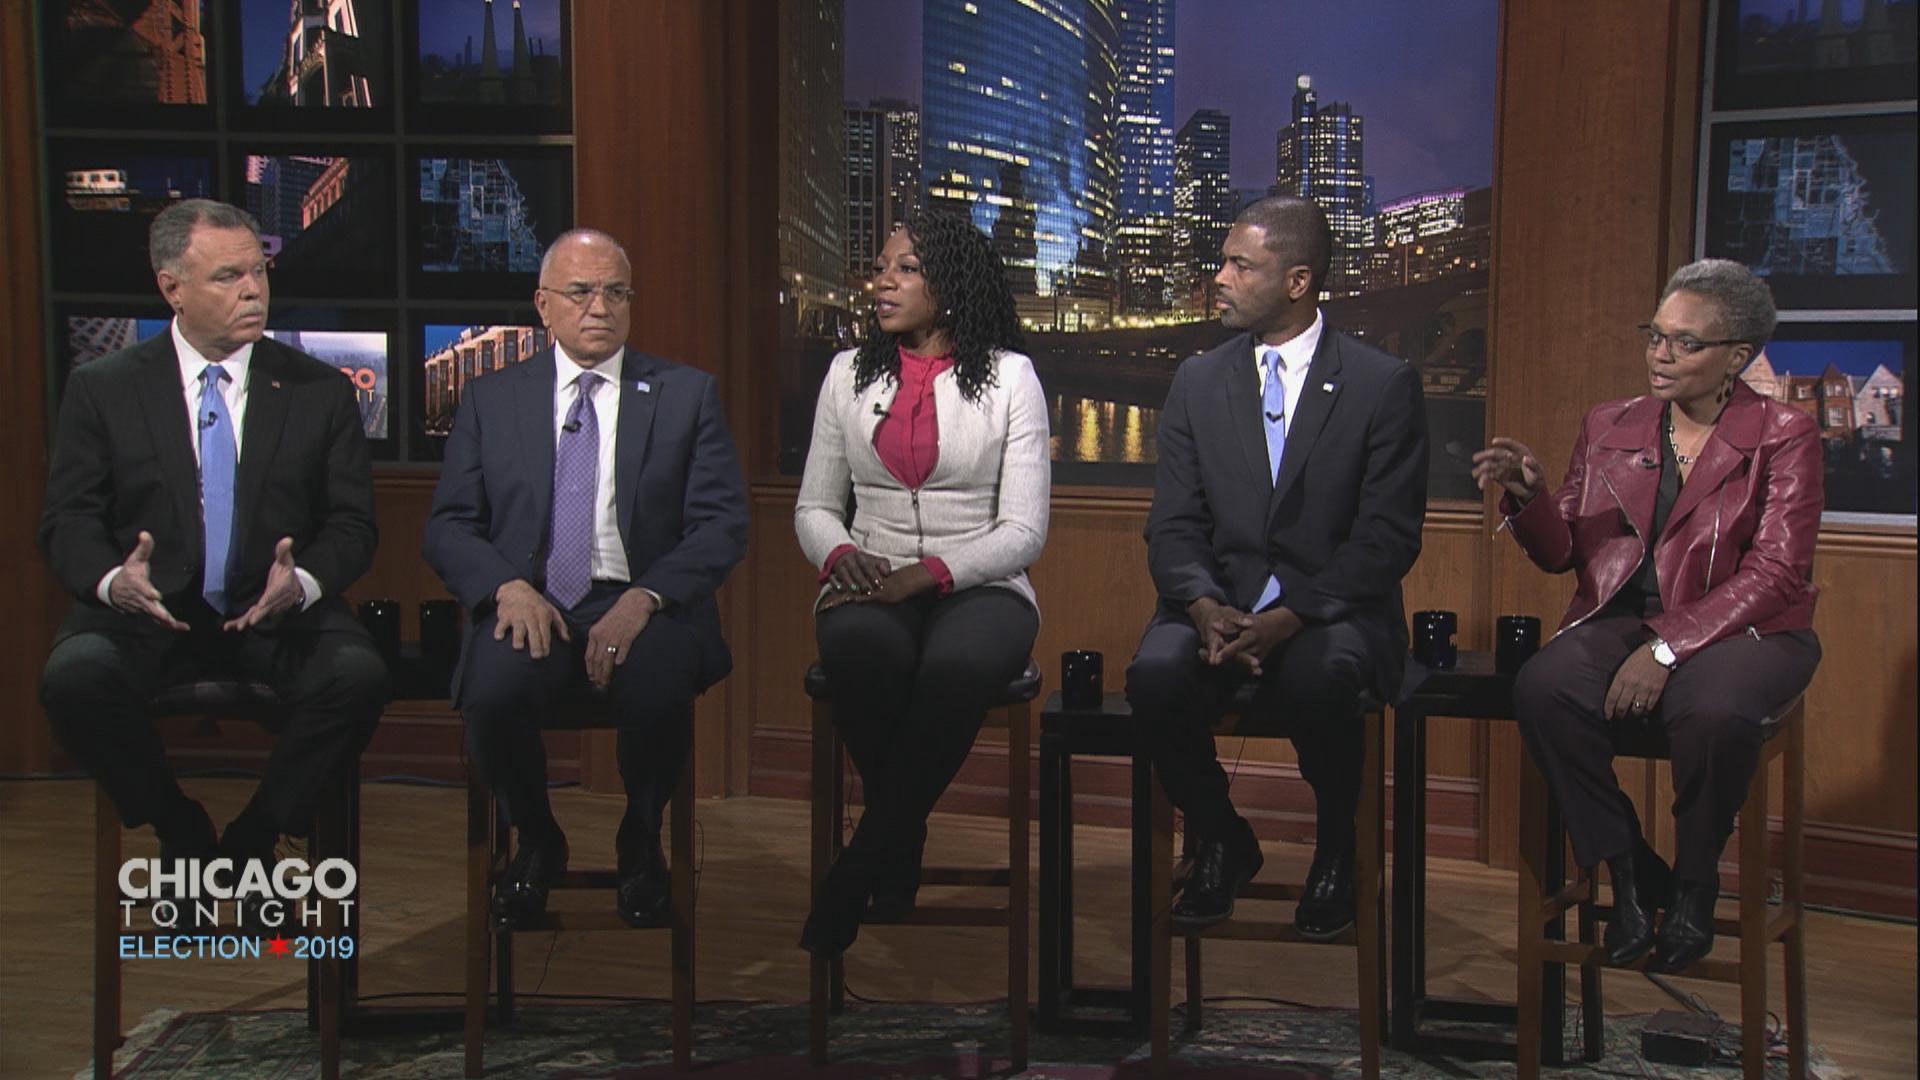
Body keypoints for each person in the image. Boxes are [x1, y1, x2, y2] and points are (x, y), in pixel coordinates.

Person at [1473, 258, 1821, 972]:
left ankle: (1694, 885)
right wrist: (1528, 497)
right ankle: (1630, 876)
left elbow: (1778, 572)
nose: (1660, 355)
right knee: (1543, 686)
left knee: (1716, 712)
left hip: (1749, 628)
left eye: (1684, 343)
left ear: (1737, 355)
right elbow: (1565, 550)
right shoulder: (1611, 424)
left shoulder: (1785, 432)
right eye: (1654, 336)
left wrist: (1666, 648)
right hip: (1624, 622)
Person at [38, 199, 389, 883]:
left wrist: (306, 582)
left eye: (258, 271)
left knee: (358, 676)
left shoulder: (319, 391)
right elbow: (66, 522)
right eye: (228, 277)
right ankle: (176, 823)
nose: (254, 290)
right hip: (145, 615)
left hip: (275, 615)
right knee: (73, 679)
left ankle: (259, 832)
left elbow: (353, 525)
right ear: (172, 286)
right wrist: (115, 582)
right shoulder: (103, 389)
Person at [422, 228, 748, 929]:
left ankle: (641, 835)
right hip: (529, 596)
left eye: (616, 292)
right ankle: (537, 838)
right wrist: (506, 588)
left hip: (640, 598)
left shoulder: (685, 396)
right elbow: (449, 525)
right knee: (493, 688)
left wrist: (646, 596)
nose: (600, 306)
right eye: (581, 291)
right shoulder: (491, 399)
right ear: (543, 305)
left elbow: (721, 524)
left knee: (660, 682)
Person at [1126, 195, 1428, 937]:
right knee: (1155, 675)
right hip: (1216, 606)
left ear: (1298, 281)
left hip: (1327, 610)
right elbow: (1171, 524)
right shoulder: (1197, 381)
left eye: (1239, 264)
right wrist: (1202, 605)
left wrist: (1291, 615)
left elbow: (1386, 538)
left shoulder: (1380, 383)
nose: (1219, 277)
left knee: (1321, 674)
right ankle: (1224, 838)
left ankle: (1336, 846)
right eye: (1223, 261)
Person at [793, 211, 1049, 958]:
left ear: (950, 282)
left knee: (957, 667)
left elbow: (1024, 531)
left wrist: (932, 574)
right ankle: (899, 835)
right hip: (867, 571)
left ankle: (865, 859)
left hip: (983, 580)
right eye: (880, 267)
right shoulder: (848, 374)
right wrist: (841, 555)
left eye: (904, 268)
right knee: (866, 657)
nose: (882, 281)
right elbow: (814, 505)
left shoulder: (1011, 378)